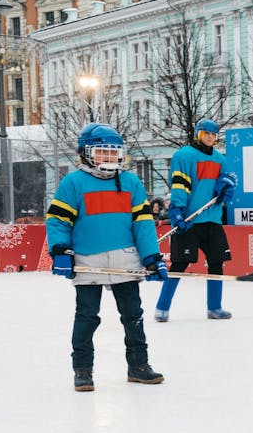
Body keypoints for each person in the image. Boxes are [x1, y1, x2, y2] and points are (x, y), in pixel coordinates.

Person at [45, 123, 168, 391]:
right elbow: (57, 220)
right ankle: (83, 370)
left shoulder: (131, 182)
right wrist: (60, 251)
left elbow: (143, 223)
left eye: (114, 152)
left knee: (133, 315)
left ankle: (139, 366)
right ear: (86, 153)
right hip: (89, 262)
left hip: (126, 259)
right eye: (103, 152)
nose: (110, 158)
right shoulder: (73, 183)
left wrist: (151, 257)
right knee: (87, 317)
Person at [154, 118, 238, 322]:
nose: (210, 137)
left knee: (217, 263)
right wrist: (176, 211)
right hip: (189, 219)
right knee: (179, 265)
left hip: (212, 219)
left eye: (214, 134)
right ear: (198, 134)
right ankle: (162, 308)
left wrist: (226, 187)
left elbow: (224, 183)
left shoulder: (220, 159)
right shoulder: (184, 156)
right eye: (206, 133)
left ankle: (214, 307)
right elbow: (180, 185)